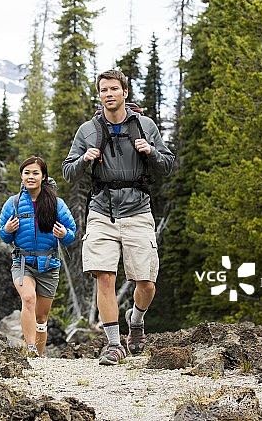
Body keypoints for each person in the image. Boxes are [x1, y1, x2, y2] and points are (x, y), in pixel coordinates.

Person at [62, 69, 175, 365]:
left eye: (114, 89)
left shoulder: (145, 126)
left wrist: (150, 151)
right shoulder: (88, 130)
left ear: (125, 92)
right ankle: (113, 345)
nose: (108, 94)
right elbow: (67, 171)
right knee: (105, 277)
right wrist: (84, 159)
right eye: (103, 90)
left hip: (138, 211)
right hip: (101, 211)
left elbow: (167, 164)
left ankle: (135, 321)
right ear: (99, 96)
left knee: (146, 283)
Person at [0, 155, 76, 357]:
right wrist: (7, 230)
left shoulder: (56, 204)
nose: (31, 177)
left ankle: (38, 358)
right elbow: (4, 236)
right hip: (22, 262)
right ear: (21, 177)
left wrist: (63, 235)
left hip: (49, 265)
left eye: (35, 173)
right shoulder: (13, 203)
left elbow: (71, 234)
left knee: (41, 317)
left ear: (43, 177)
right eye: (27, 173)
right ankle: (30, 347)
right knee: (28, 298)